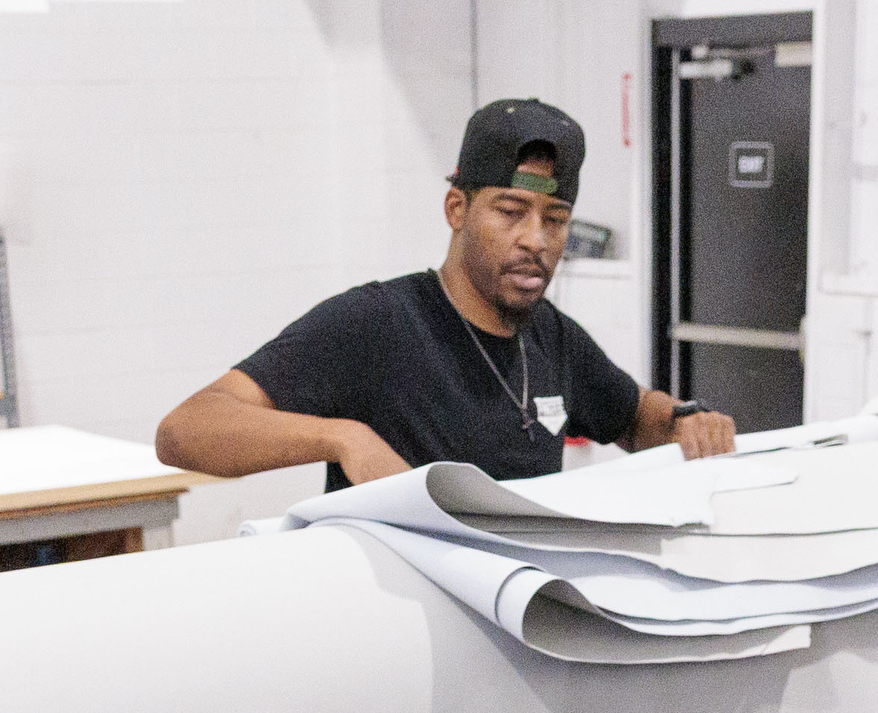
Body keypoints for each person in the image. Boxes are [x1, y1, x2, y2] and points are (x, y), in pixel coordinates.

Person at [156, 98, 735, 489]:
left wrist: (686, 418)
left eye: (555, 219)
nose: (535, 240)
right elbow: (185, 430)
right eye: (511, 212)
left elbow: (634, 419)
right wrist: (342, 438)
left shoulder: (551, 336)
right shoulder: (378, 322)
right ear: (457, 210)